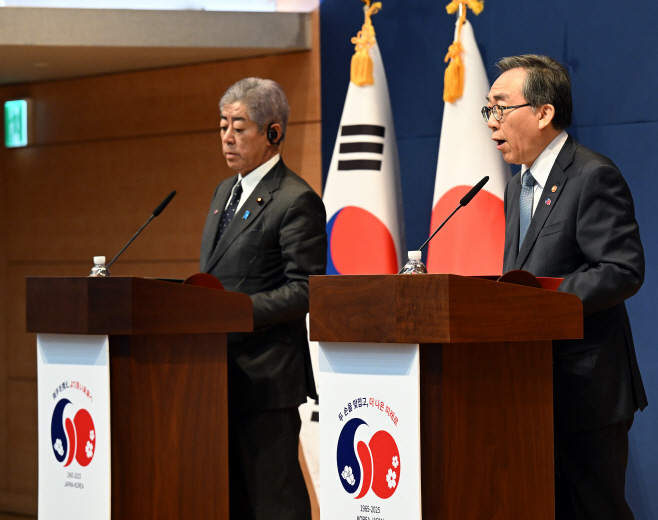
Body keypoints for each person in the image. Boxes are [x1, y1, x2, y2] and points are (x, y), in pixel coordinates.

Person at [483, 55, 647, 520]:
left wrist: (537, 305)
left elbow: (622, 269)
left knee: (596, 511)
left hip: (587, 390)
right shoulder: (518, 187)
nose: (491, 122)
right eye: (487, 110)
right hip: (530, 385)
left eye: (500, 108)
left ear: (543, 112)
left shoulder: (592, 175)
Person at [200, 77, 327, 520]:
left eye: (239, 126)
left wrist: (234, 313)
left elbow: (304, 288)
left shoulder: (296, 200)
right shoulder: (224, 192)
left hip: (268, 377)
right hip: (219, 370)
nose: (227, 137)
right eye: (222, 127)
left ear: (273, 133)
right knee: (231, 499)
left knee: (273, 501)